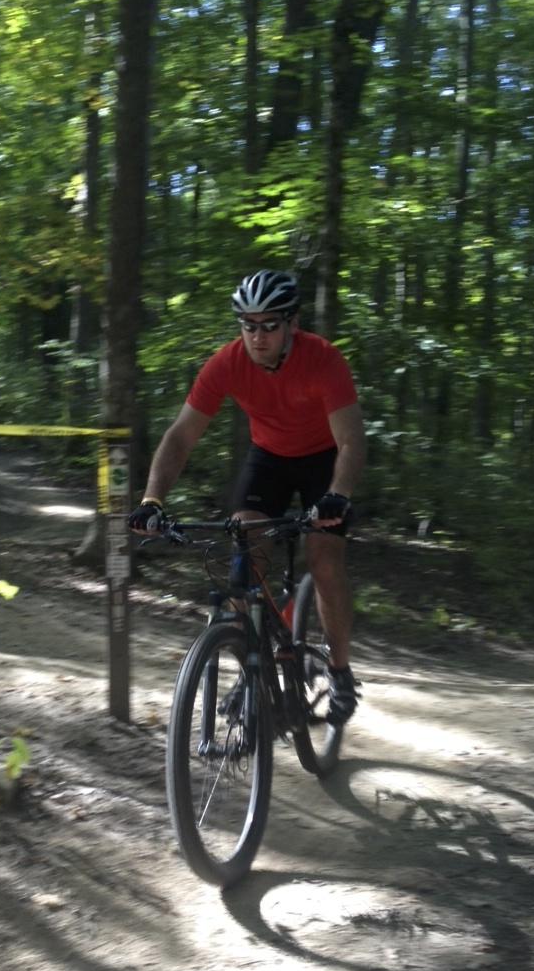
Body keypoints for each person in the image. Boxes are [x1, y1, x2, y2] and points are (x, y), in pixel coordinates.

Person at [128, 269, 366, 725]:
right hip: (270, 457)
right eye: (248, 325)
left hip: (324, 459)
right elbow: (181, 436)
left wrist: (338, 494)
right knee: (245, 549)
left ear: (291, 324)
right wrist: (153, 498)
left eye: (269, 325)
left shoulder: (324, 360)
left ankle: (339, 672)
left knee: (325, 559)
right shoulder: (227, 363)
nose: (257, 337)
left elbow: (352, 440)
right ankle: (251, 666)